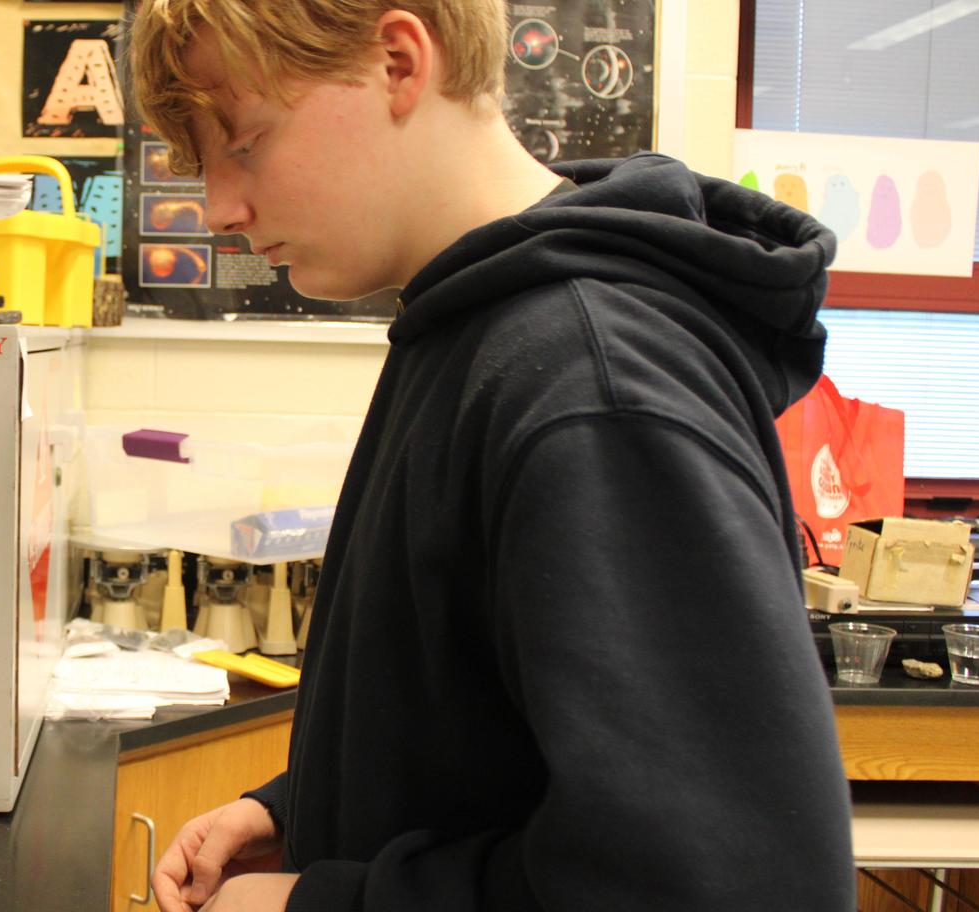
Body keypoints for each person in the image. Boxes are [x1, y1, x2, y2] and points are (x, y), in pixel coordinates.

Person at [126, 2, 857, 910]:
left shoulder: (591, 384)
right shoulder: (467, 330)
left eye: (245, 144)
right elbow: (499, 740)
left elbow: (721, 885)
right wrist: (299, 812)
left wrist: (318, 904)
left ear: (398, 62)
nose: (219, 210)